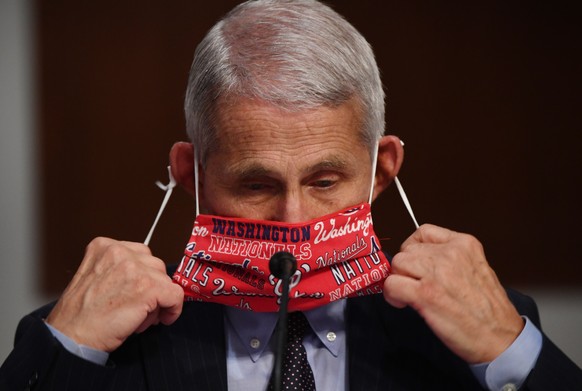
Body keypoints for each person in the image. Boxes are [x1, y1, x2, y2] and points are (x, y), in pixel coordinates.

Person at [1, 0, 580, 390]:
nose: (293, 222)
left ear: (381, 173)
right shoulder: (94, 339)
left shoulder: (479, 324)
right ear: (189, 174)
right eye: (256, 185)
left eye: (325, 182)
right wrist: (67, 348)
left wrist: (513, 351)